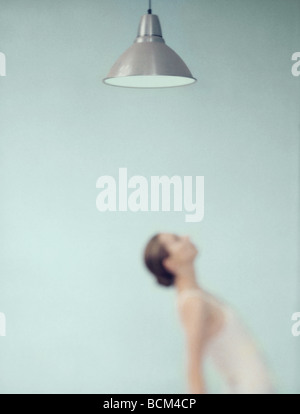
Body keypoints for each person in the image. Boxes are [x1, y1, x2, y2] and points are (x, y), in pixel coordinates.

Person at [143, 232, 276, 394]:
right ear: (169, 263)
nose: (187, 237)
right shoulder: (193, 302)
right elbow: (193, 369)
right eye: (176, 240)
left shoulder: (197, 295)